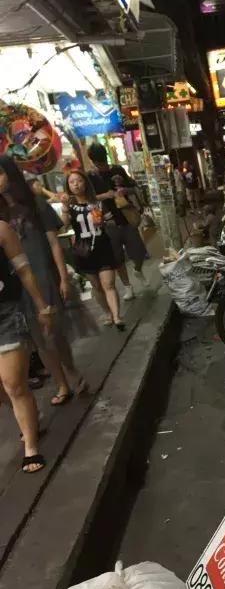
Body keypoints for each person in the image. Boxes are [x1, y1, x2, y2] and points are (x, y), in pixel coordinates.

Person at [0, 155, 87, 406]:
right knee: (39, 341)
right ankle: (61, 384)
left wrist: (63, 277)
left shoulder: (35, 204)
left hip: (43, 275)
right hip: (16, 285)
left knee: (54, 334)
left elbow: (54, 244)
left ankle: (71, 371)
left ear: (11, 174)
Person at [0, 218, 53, 472]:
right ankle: (29, 418)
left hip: (6, 313)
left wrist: (42, 306)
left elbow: (24, 270)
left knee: (13, 383)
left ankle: (31, 446)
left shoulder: (1, 228)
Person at [61, 170, 124, 331]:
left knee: (108, 284)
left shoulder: (98, 203)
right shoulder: (70, 206)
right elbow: (64, 226)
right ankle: (107, 312)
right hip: (84, 251)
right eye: (72, 182)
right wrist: (65, 209)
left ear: (85, 183)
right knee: (96, 286)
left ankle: (117, 317)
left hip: (103, 247)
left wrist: (103, 222)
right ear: (68, 186)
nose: (76, 184)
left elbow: (112, 222)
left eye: (79, 181)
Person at [87, 142, 149, 299]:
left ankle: (137, 270)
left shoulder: (118, 170)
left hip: (126, 217)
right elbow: (89, 198)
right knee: (117, 258)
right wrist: (105, 195)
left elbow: (133, 188)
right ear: (93, 161)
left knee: (139, 252)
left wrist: (124, 190)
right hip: (107, 222)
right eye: (99, 163)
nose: (102, 166)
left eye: (103, 162)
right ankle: (128, 287)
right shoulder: (91, 177)